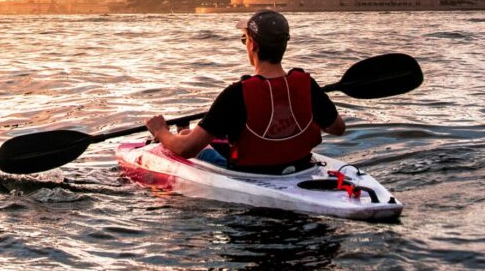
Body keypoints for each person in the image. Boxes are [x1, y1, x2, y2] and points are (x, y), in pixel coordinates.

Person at [145, 10, 345, 174]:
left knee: (183, 143)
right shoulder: (307, 84)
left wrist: (160, 130)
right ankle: (183, 132)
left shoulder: (236, 93)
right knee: (189, 133)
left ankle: (177, 133)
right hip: (300, 167)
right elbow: (338, 129)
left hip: (248, 174)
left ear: (253, 45)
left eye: (244, 39)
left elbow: (186, 149)